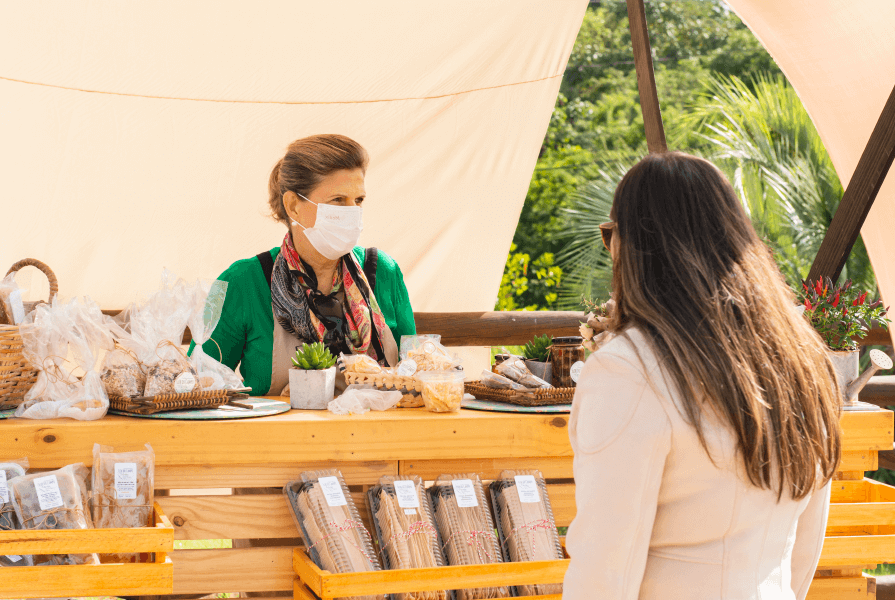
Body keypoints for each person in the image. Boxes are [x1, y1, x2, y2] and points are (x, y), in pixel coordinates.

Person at [563, 152, 841, 600]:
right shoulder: (802, 358)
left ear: (635, 246)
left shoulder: (628, 369)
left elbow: (605, 570)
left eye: (609, 235)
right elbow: (805, 545)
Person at [196, 134, 415, 395]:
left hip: (378, 434)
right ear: (293, 206)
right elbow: (200, 382)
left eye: (358, 200)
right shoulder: (243, 281)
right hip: (281, 436)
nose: (352, 212)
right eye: (337, 200)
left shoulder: (383, 272)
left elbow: (417, 372)